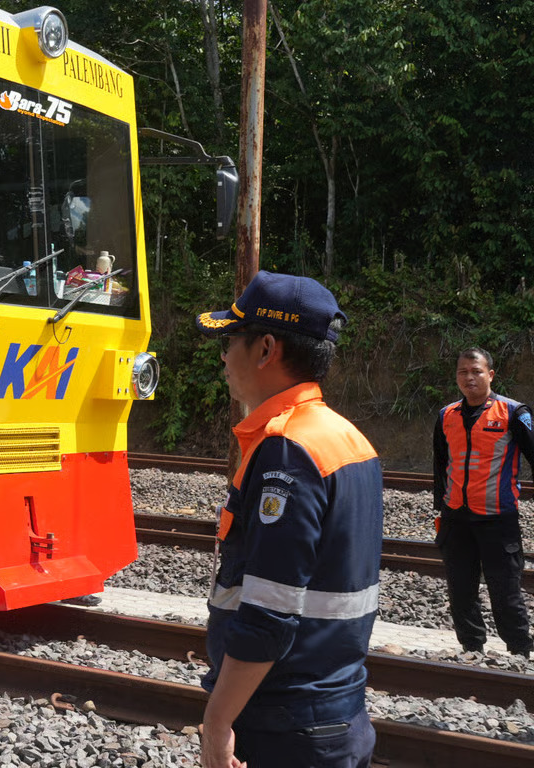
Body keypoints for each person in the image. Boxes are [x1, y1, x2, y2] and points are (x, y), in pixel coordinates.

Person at [194, 271, 383, 768]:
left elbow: (269, 612)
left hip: (284, 722)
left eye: (231, 340)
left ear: (266, 349)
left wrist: (217, 723)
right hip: (334, 708)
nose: (222, 355)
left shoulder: (287, 450)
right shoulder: (346, 438)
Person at [432, 348, 534, 657]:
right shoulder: (446, 415)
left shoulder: (513, 413)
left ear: (490, 374)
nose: (469, 378)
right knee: (460, 591)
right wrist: (441, 506)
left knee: (505, 592)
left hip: (497, 519)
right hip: (456, 519)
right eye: (463, 372)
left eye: (476, 371)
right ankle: (471, 649)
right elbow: (440, 464)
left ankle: (520, 652)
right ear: (457, 377)